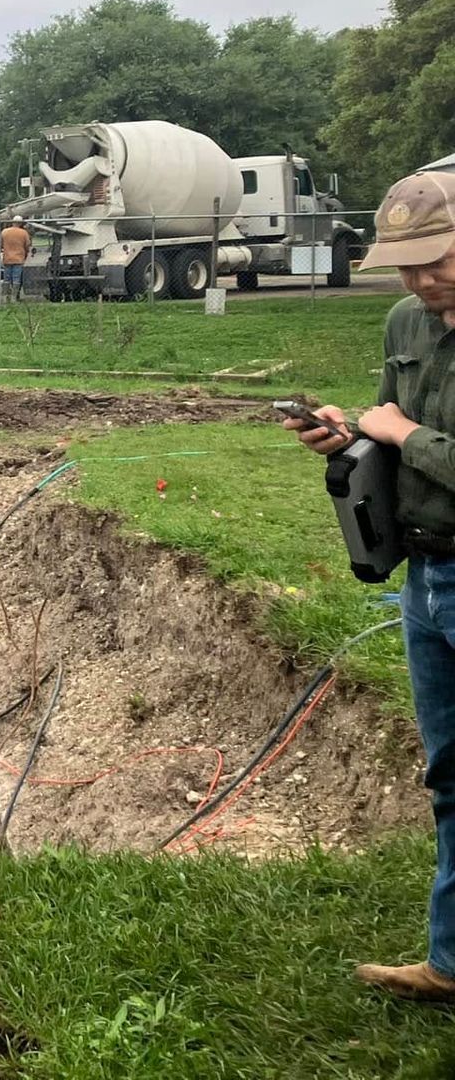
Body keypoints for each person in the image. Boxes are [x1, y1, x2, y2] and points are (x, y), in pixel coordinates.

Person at [286, 168, 455, 1003]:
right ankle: (450, 962)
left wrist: (407, 432)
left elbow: (413, 430)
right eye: (409, 265)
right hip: (425, 577)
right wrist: (350, 436)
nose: (422, 280)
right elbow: (388, 430)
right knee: (449, 774)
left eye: (439, 260)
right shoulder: (403, 323)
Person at [0, 216, 32, 302]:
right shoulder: (24, 233)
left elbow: (0, 245)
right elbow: (27, 245)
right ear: (20, 223)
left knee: (6, 278)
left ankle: (5, 297)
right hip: (19, 258)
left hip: (7, 258)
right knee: (16, 279)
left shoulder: (4, 232)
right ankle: (14, 297)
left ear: (12, 222)